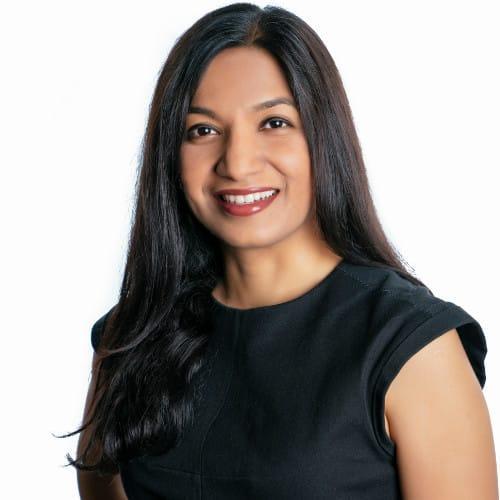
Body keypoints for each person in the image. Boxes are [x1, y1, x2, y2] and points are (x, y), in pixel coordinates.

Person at [64, 3, 498, 499]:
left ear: (323, 136)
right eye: (202, 130)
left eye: (273, 122)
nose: (237, 163)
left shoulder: (411, 347)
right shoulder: (133, 336)